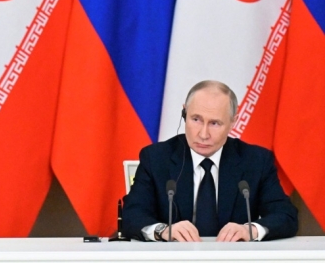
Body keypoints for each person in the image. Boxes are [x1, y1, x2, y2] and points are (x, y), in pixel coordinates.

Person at [123, 80, 297, 242]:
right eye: (196, 120)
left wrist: (249, 230)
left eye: (215, 123)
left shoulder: (256, 161)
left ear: (232, 122)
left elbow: (286, 215)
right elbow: (131, 215)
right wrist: (163, 230)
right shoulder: (156, 158)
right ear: (184, 113)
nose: (203, 134)